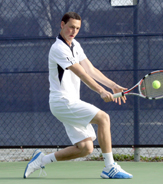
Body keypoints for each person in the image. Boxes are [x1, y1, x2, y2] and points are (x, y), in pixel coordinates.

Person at [23, 12, 132, 179]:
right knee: (103, 118)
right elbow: (81, 73)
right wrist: (101, 91)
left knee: (85, 148)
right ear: (62, 25)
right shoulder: (58, 48)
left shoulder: (75, 45)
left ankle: (42, 159)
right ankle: (110, 167)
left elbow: (90, 69)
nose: (74, 31)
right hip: (62, 101)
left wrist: (113, 85)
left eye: (77, 28)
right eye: (71, 27)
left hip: (71, 102)